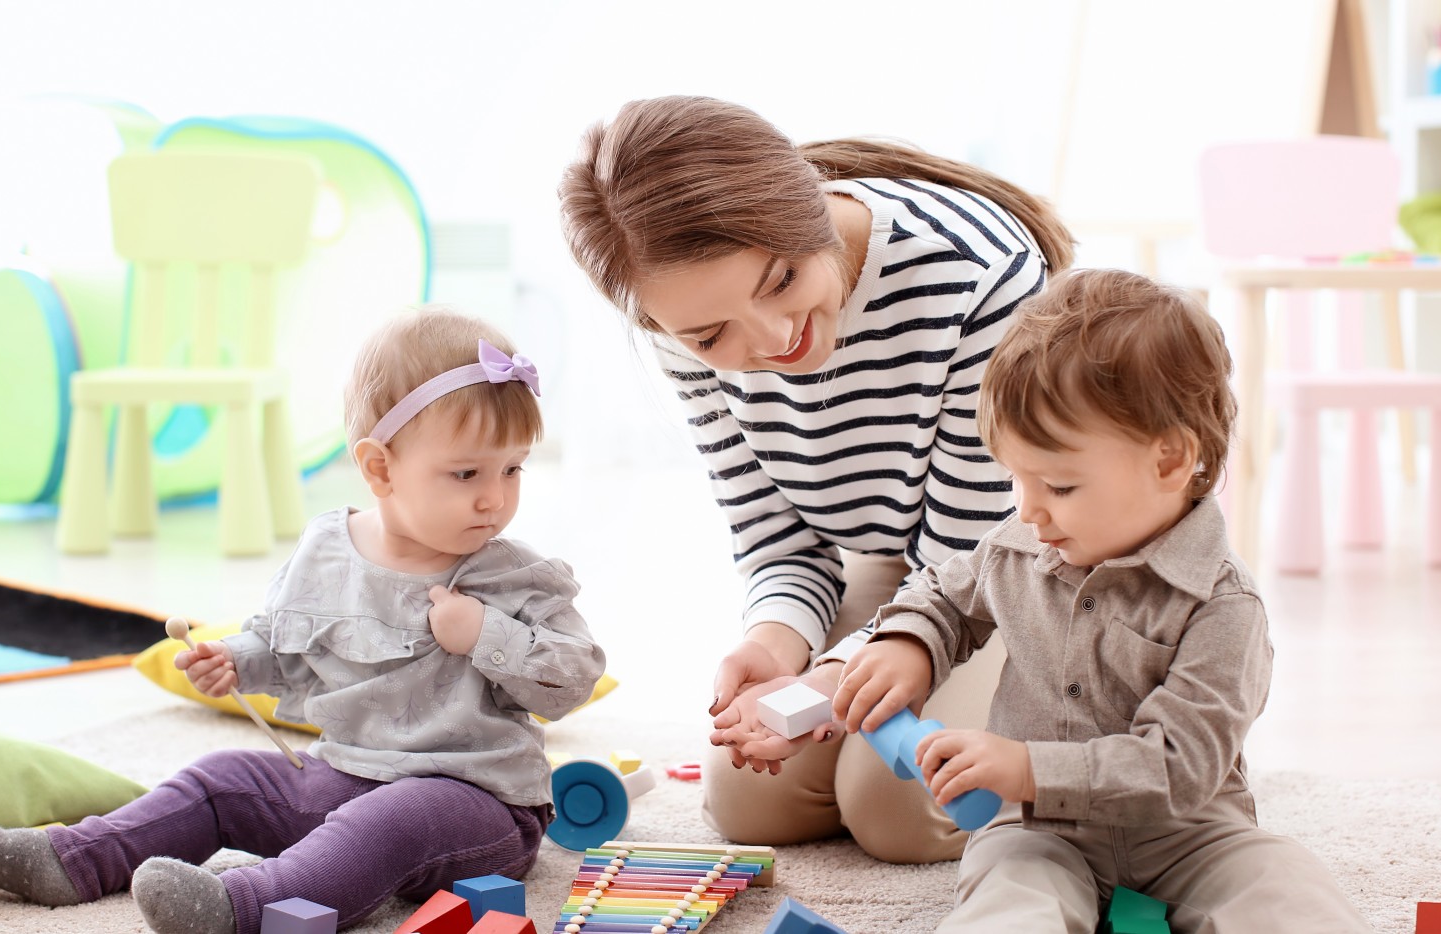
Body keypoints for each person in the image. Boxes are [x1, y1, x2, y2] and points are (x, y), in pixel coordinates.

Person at [0, 308, 606, 934]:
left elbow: (573, 679)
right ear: (379, 467)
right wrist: (238, 659)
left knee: (389, 821)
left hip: (475, 803)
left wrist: (485, 634)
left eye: (512, 468)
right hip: (340, 775)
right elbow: (283, 641)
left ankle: (246, 906)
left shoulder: (513, 575)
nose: (495, 497)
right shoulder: (327, 551)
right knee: (219, 779)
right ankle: (73, 858)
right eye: (466, 473)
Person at [558, 94, 1074, 862]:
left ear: (809, 212)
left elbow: (967, 560)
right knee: (751, 799)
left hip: (1015, 566)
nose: (773, 341)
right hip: (898, 560)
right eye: (710, 335)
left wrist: (832, 679)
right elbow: (777, 541)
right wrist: (777, 644)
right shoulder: (680, 330)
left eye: (781, 280)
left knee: (901, 806)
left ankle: (1081, 735)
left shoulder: (975, 273)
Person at [831, 269, 1369, 931]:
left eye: (1057, 485)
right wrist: (908, 641)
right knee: (1009, 900)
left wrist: (1027, 766)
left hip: (1190, 836)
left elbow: (1179, 767)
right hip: (1036, 831)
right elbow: (943, 593)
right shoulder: (1019, 546)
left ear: (1169, 461)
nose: (1028, 510)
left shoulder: (1225, 607)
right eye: (1016, 480)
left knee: (1288, 890)